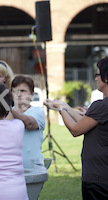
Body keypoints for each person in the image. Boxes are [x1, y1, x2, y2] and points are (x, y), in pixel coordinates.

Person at [44, 57, 108, 200]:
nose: (96, 78)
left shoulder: (102, 105)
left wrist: (60, 109)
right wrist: (65, 106)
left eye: (97, 75)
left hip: (98, 179)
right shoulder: (101, 107)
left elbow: (76, 129)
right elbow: (85, 122)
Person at [11, 75, 46, 169]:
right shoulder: (7, 113)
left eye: (23, 91)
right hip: (11, 167)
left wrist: (8, 110)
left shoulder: (38, 111)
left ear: (32, 94)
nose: (18, 94)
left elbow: (29, 124)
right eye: (15, 91)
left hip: (33, 167)